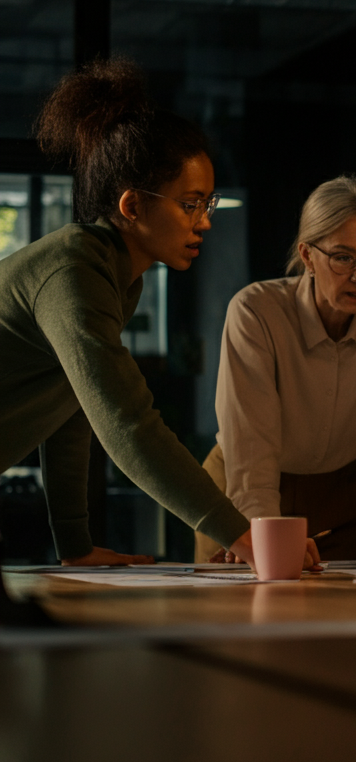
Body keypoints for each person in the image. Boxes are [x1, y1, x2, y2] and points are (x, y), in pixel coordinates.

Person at [0, 57, 271, 594]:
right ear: (131, 205)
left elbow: (72, 407)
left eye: (208, 202)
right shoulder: (73, 273)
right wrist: (240, 534)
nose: (205, 221)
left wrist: (74, 544)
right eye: (190, 204)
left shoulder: (116, 277)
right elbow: (126, 424)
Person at [199, 175, 356, 564]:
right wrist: (257, 530)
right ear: (307, 255)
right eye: (343, 258)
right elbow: (251, 441)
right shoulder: (255, 311)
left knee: (342, 618)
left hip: (341, 496)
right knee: (240, 617)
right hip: (242, 495)